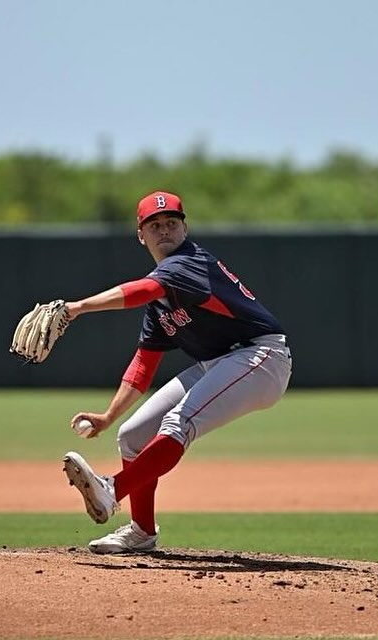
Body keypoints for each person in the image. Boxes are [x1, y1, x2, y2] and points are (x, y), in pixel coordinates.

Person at [61, 190, 293, 554]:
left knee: (177, 424)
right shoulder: (160, 300)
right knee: (132, 436)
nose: (164, 229)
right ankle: (141, 531)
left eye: (171, 222)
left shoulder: (187, 262)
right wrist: (107, 417)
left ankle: (112, 490)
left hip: (261, 356)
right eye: (154, 225)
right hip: (216, 363)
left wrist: (78, 307)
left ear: (184, 228)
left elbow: (147, 288)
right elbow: (143, 364)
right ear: (141, 235)